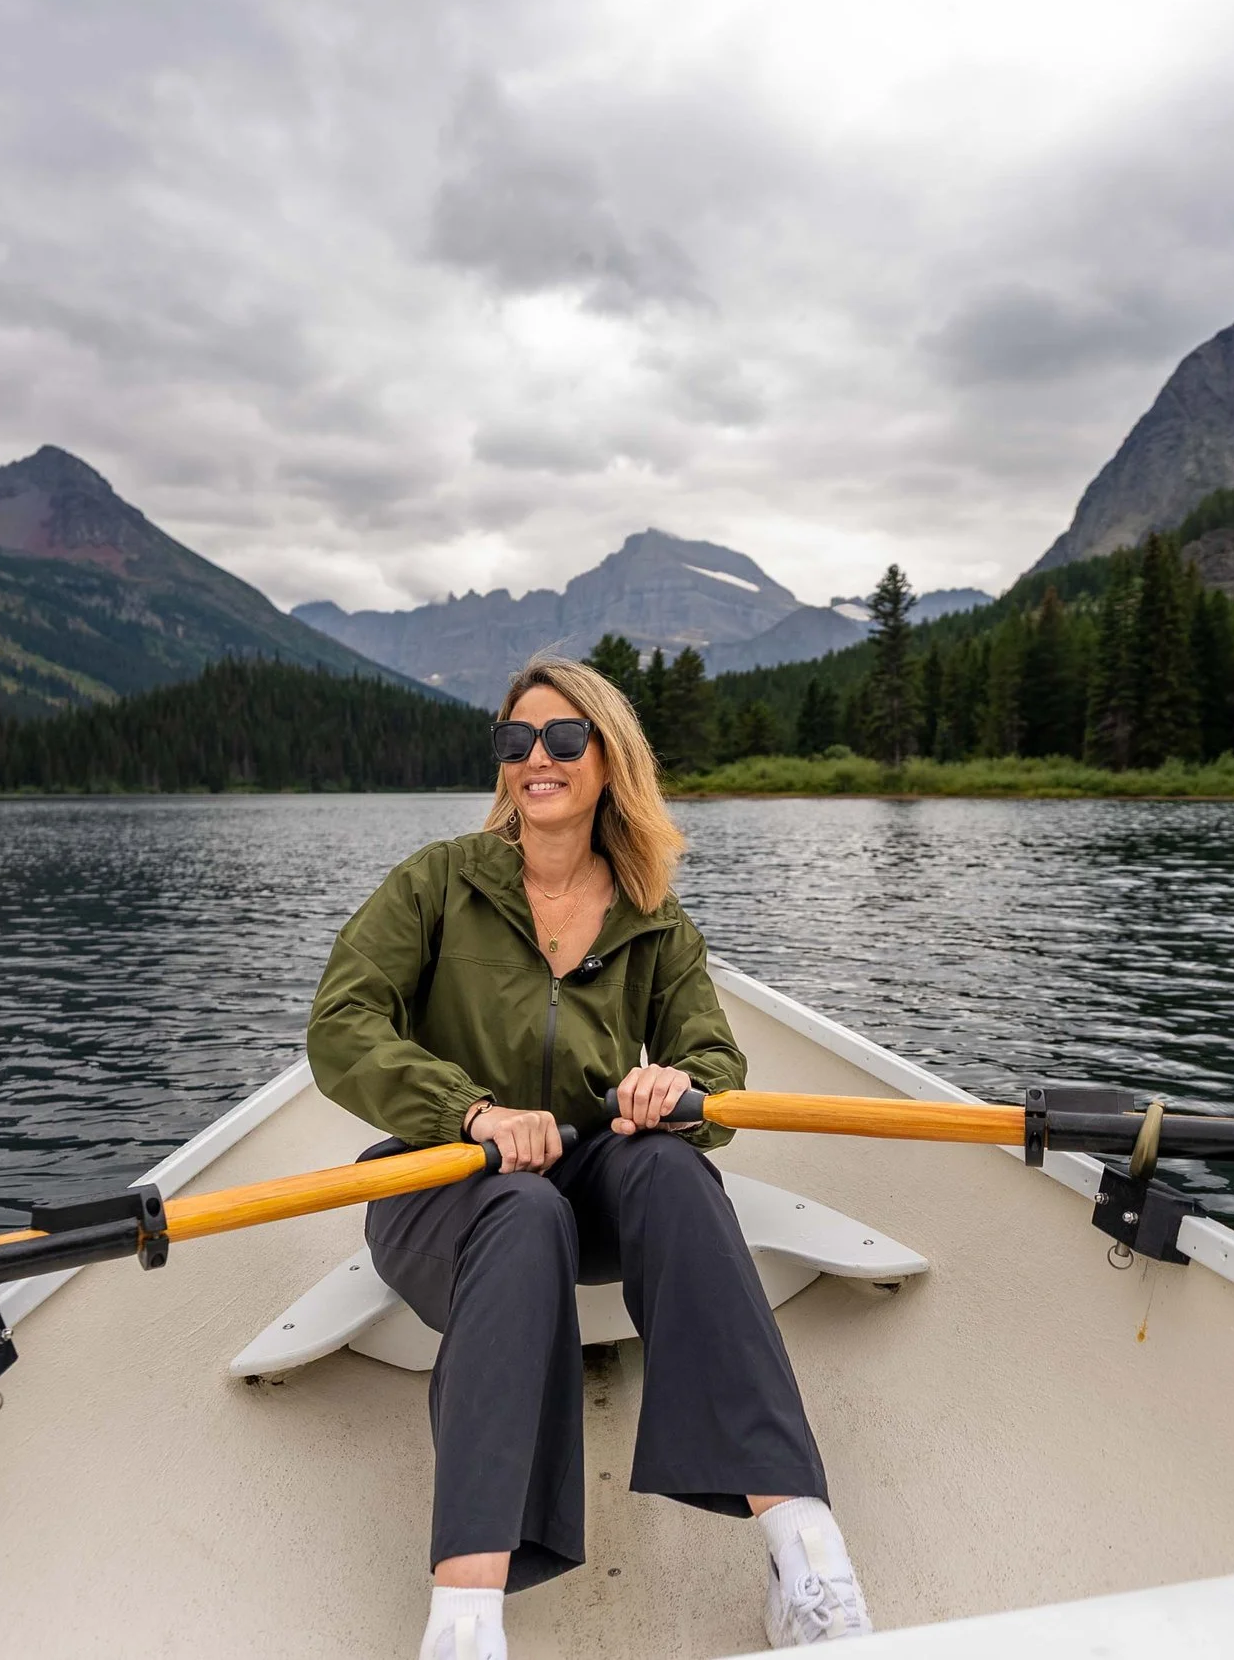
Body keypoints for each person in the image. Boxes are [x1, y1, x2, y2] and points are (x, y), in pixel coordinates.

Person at [308, 654, 874, 1659]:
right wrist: (469, 1110)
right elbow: (341, 1027)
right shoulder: (438, 882)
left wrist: (678, 1093)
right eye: (516, 738)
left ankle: (804, 1547)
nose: (537, 756)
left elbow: (716, 1071)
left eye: (564, 737)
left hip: (587, 1181)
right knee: (521, 1211)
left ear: (608, 760)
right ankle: (466, 1615)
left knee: (671, 1166)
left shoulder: (653, 916)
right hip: (442, 1186)